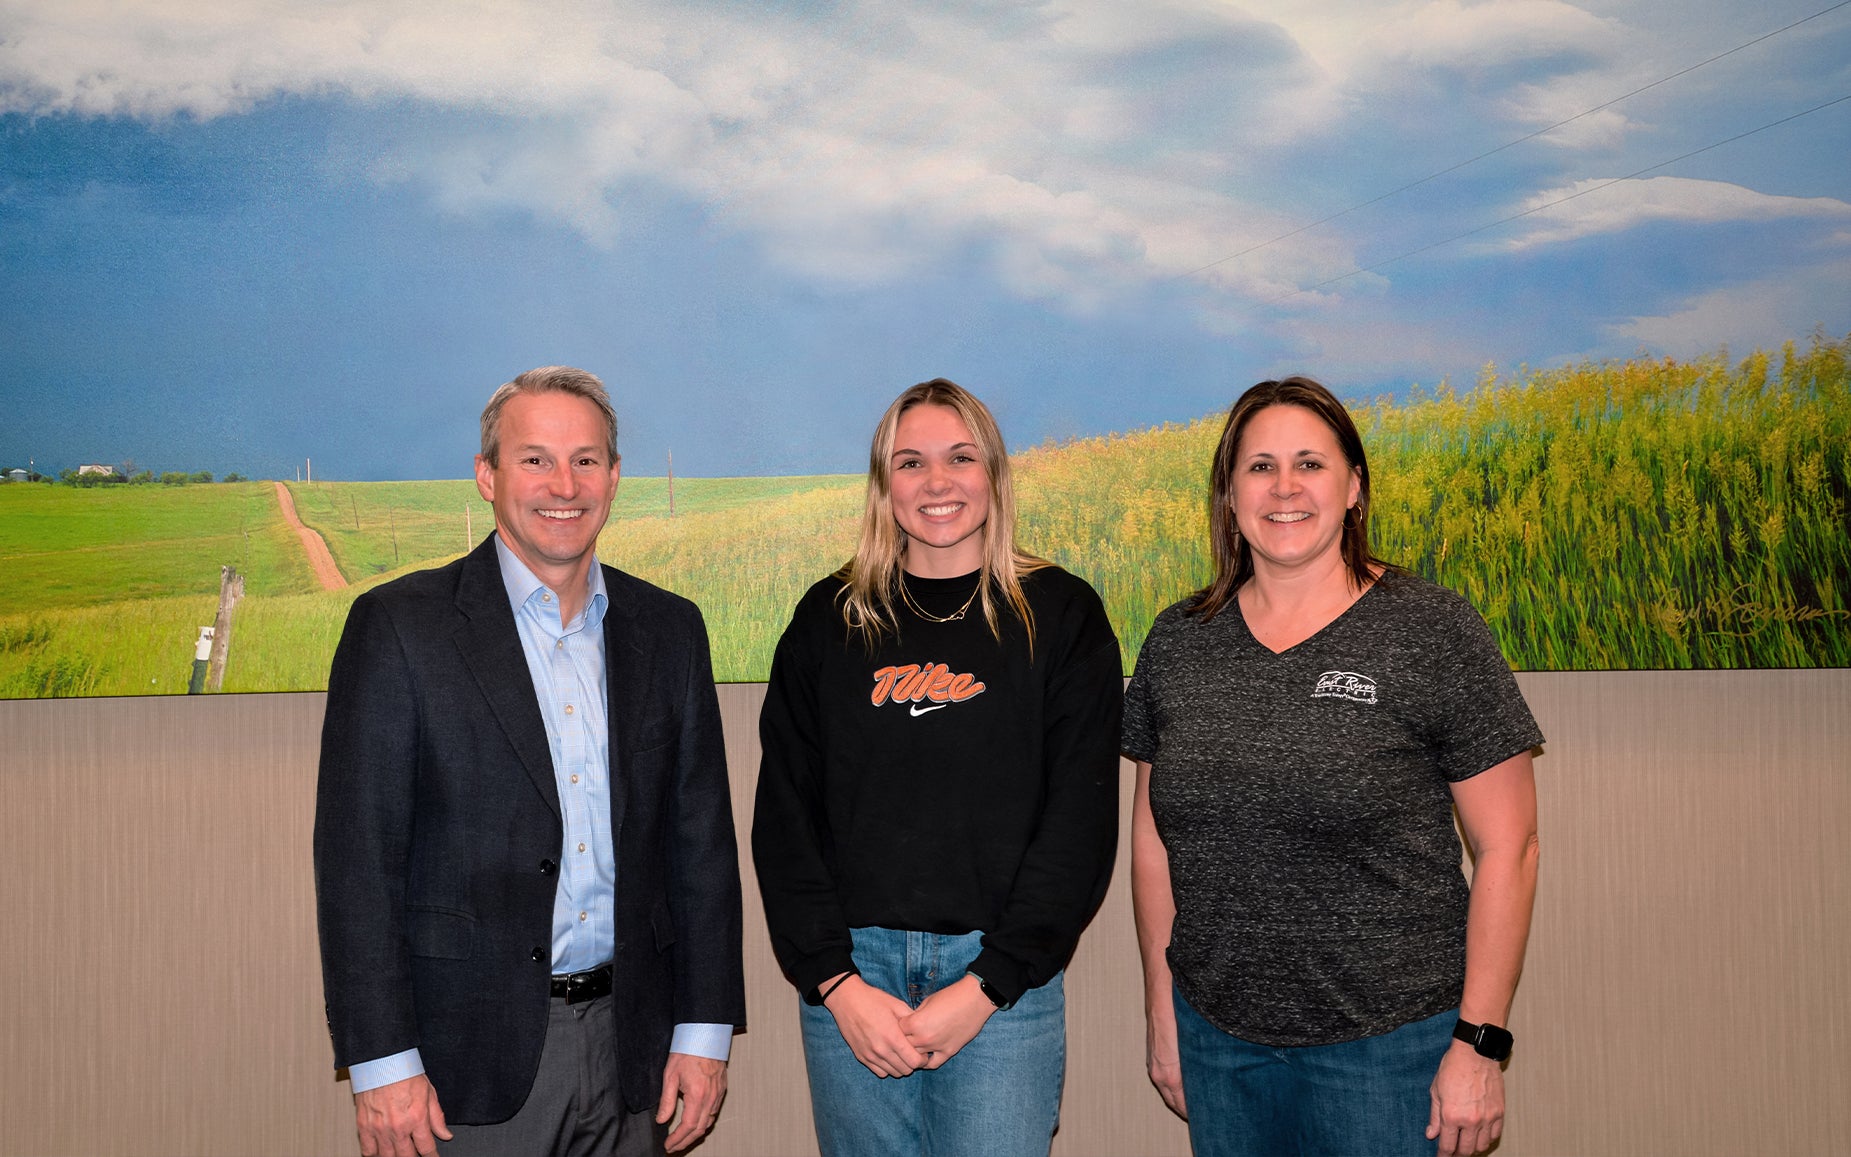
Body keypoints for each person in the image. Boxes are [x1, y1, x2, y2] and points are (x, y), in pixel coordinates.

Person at [314, 366, 746, 1157]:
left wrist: (704, 1029)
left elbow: (702, 850)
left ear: (614, 476)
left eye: (585, 460)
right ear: (487, 475)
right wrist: (382, 1062)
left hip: (635, 1051)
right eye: (535, 459)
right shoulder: (400, 628)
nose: (564, 485)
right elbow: (357, 864)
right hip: (463, 1065)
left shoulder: (670, 629)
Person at [1123, 376, 1543, 1157]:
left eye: (1309, 464)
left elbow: (1508, 847)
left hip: (1389, 1049)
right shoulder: (1178, 639)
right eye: (1259, 467)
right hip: (1218, 1041)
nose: (1284, 487)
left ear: (1353, 487)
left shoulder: (1431, 629)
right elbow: (1152, 839)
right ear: (1228, 495)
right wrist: (1161, 1007)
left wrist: (1479, 1042)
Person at [752, 378, 1122, 1157]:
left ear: (992, 471)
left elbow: (1079, 824)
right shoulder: (828, 618)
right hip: (854, 980)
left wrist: (989, 982)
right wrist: (834, 981)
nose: (936, 482)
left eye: (959, 457)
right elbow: (785, 819)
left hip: (999, 983)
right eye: (910, 462)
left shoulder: (1060, 614)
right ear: (884, 484)